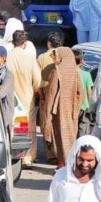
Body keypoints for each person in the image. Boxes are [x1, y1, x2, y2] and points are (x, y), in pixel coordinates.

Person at [44, 47, 85, 168]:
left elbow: (51, 94)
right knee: (70, 137)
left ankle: (64, 163)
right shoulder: (75, 73)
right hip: (71, 112)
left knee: (59, 137)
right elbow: (81, 94)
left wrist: (48, 113)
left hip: (58, 112)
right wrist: (75, 107)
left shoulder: (57, 73)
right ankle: (70, 162)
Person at [7, 30, 42, 166]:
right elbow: (38, 80)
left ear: (12, 41)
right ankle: (27, 157)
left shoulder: (8, 57)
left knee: (16, 126)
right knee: (29, 127)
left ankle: (16, 153)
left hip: (11, 96)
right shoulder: (30, 58)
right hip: (27, 97)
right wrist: (33, 90)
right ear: (25, 43)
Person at [38, 32, 63, 163]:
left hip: (46, 94)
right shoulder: (65, 55)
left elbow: (38, 81)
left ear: (49, 43)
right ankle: (60, 153)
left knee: (46, 124)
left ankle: (50, 155)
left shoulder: (42, 57)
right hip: (61, 95)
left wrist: (41, 97)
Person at [73, 49, 95, 137]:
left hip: (72, 108)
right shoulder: (86, 75)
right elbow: (89, 93)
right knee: (83, 133)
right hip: (84, 108)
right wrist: (91, 107)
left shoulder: (68, 74)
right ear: (81, 61)